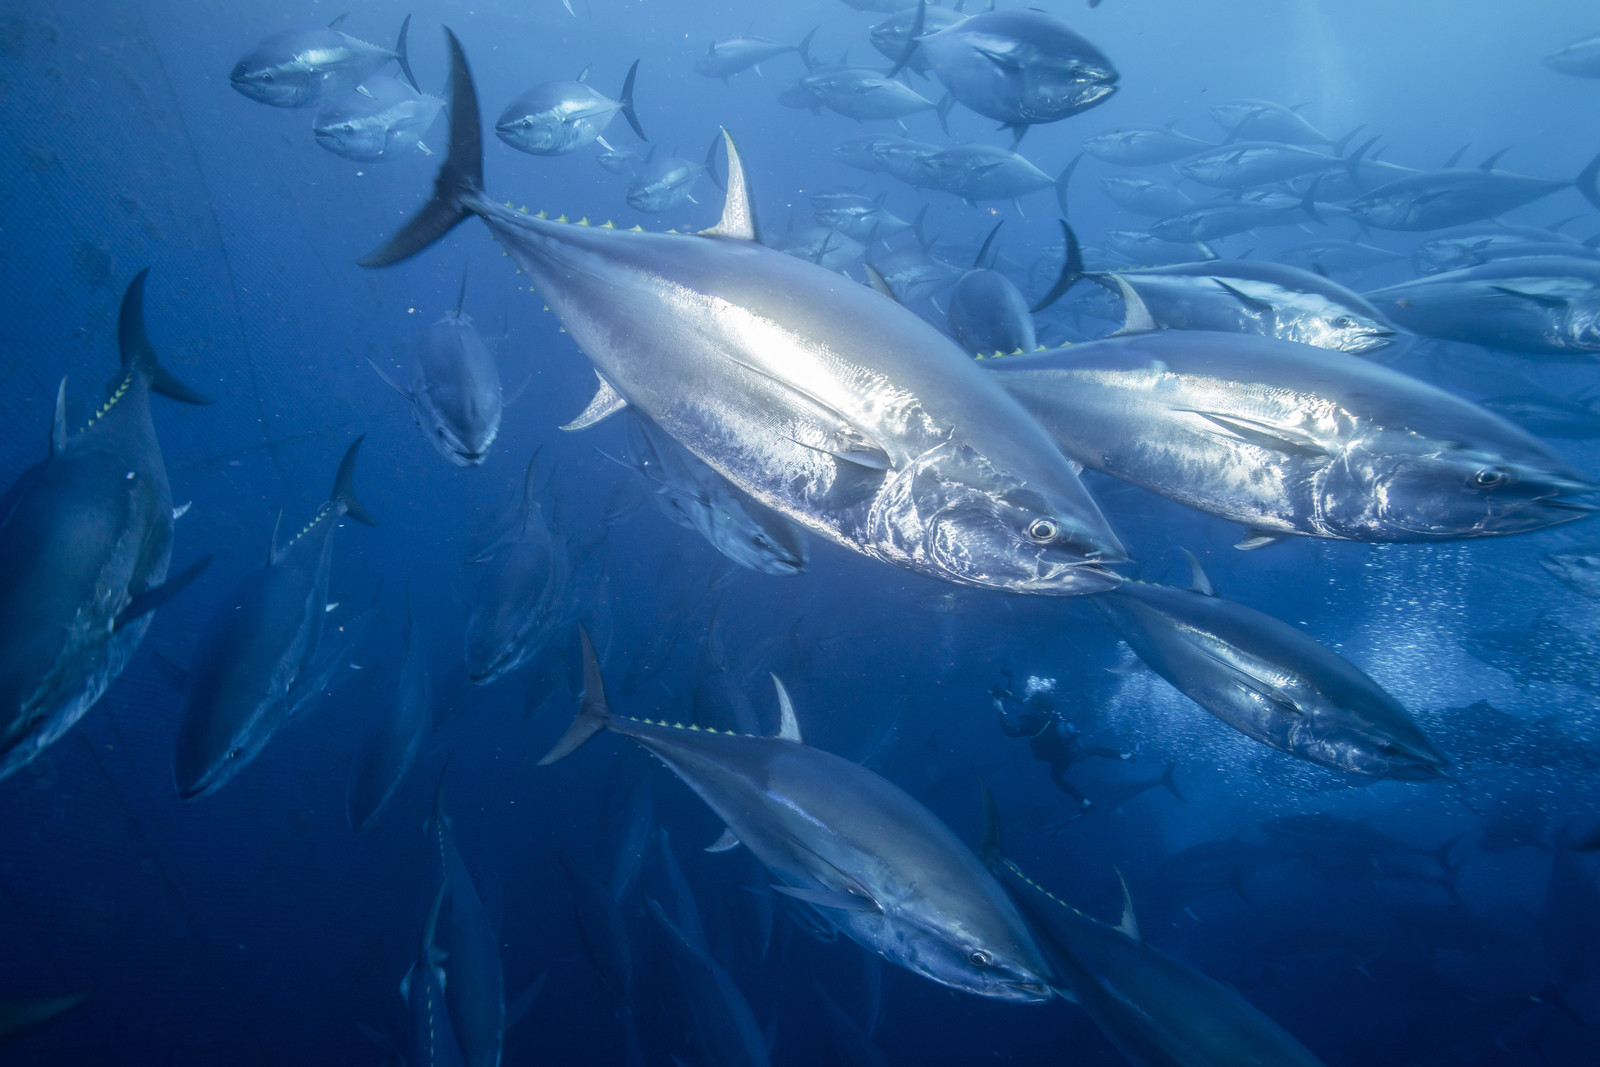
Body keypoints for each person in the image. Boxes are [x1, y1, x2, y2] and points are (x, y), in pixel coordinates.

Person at [990, 671, 1130, 814]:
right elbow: (1032, 706)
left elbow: (1009, 732)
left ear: (1033, 705)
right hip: (1074, 749)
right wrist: (1012, 697)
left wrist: (1000, 711)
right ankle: (1125, 756)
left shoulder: (1031, 723)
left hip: (1059, 758)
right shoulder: (1051, 712)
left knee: (1056, 779)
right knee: (1097, 749)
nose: (1028, 702)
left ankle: (1085, 803)